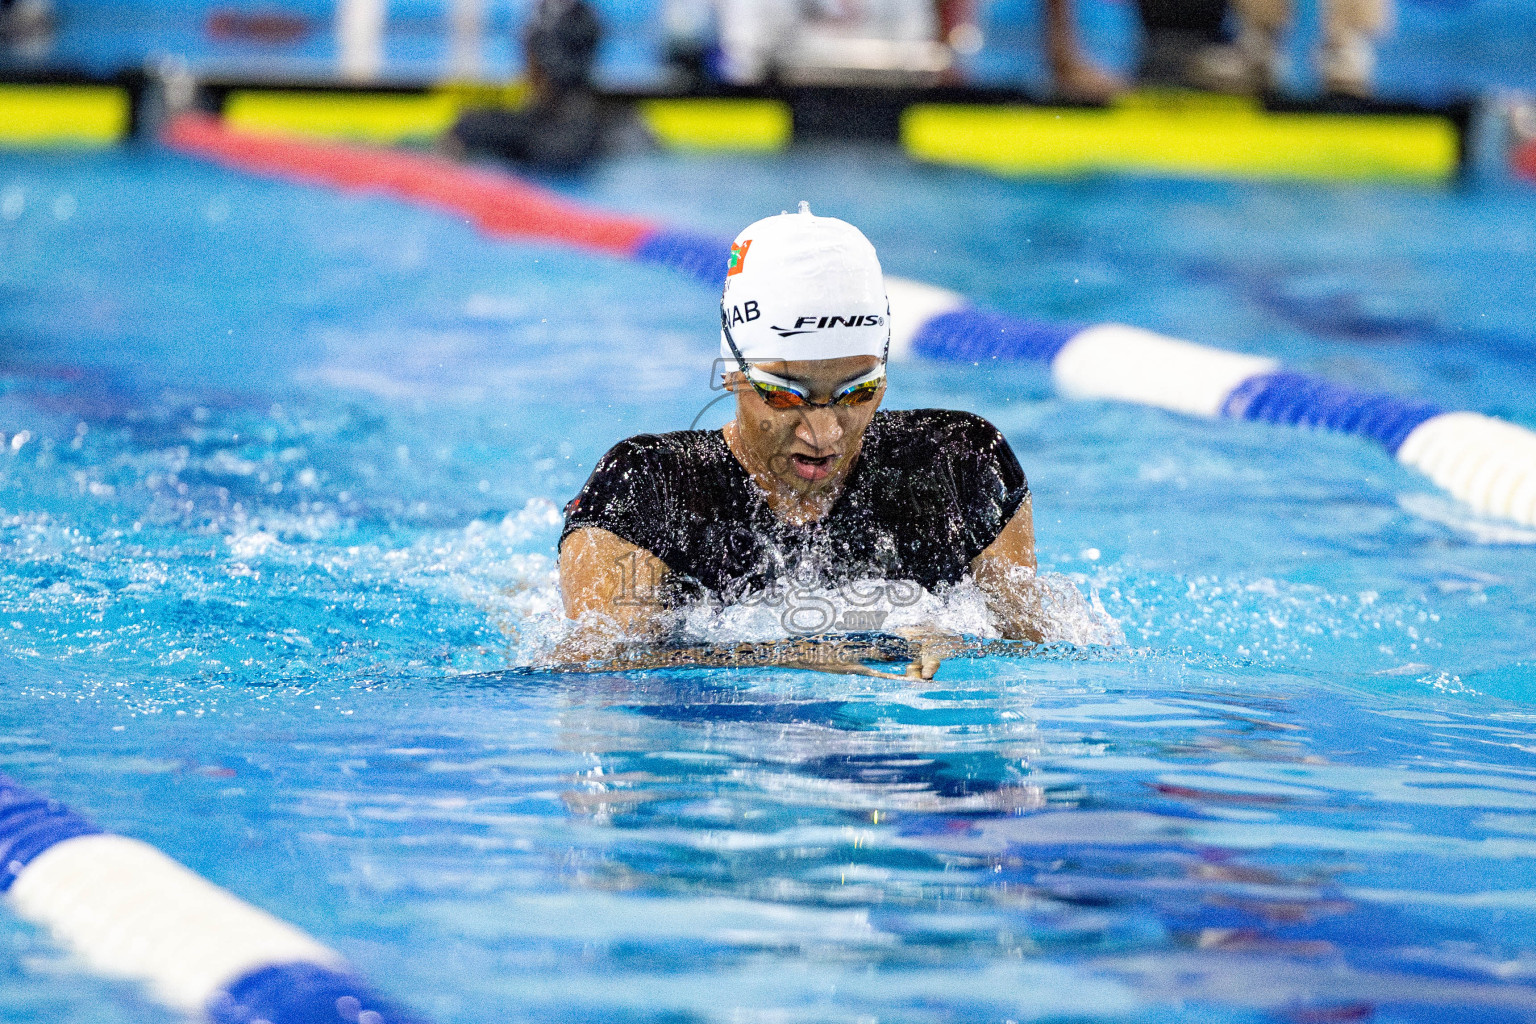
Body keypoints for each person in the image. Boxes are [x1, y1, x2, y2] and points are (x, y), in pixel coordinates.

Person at [557, 204, 1046, 679]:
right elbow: (592, 669)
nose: (824, 433)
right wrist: (781, 657)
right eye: (785, 394)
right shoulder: (650, 487)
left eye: (858, 391)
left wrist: (956, 642)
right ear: (732, 373)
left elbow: (1038, 647)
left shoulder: (960, 465)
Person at [445, 0, 617, 172]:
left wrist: (542, 51)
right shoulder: (541, 14)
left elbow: (570, 73)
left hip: (566, 119)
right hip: (541, 112)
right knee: (469, 123)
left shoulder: (583, 21)